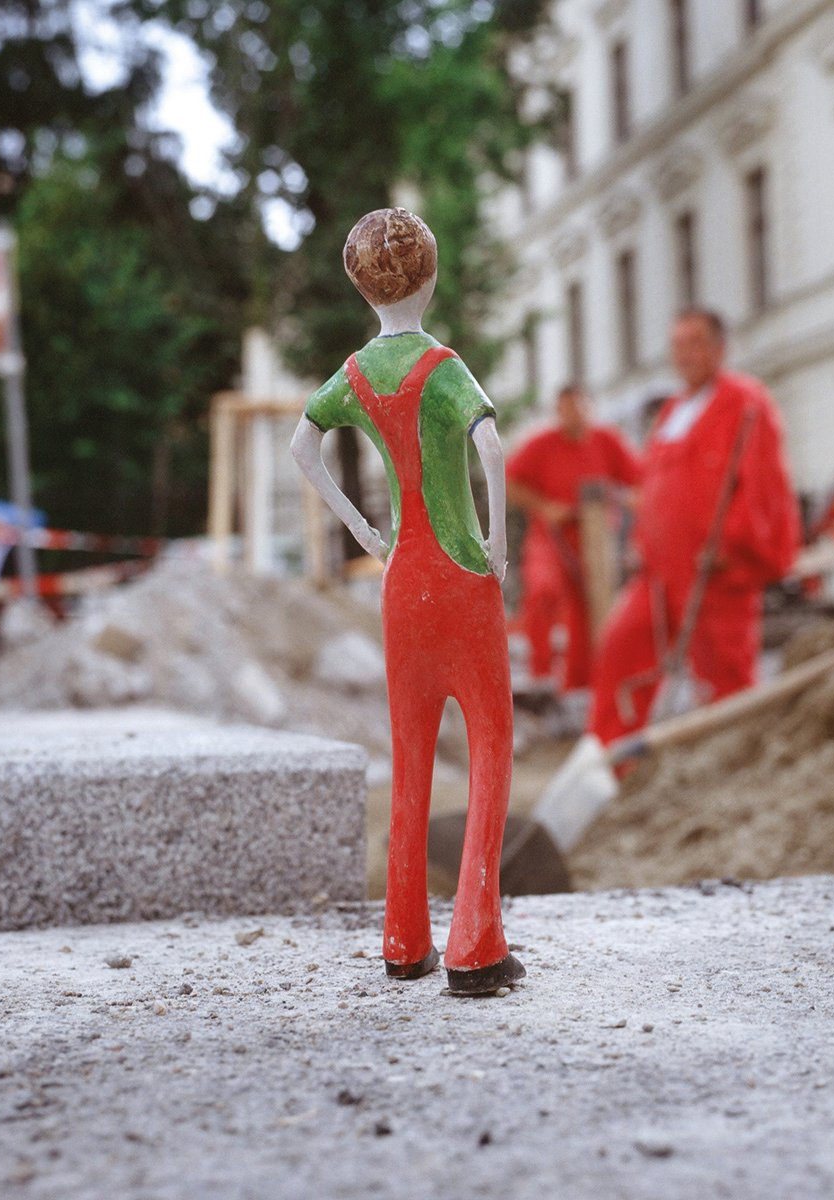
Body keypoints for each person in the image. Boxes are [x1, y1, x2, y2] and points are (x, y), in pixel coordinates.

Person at [290, 208, 523, 996]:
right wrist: (497, 547)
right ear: (430, 276)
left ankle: (403, 939)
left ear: (362, 288)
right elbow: (490, 446)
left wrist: (360, 526)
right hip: (459, 574)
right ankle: (476, 944)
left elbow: (302, 445)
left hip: (402, 583)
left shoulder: (356, 375)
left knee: (411, 755)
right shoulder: (444, 366)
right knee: (490, 744)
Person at [588, 309, 802, 745]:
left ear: (720, 348)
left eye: (695, 343)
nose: (685, 354)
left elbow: (763, 485)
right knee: (621, 648)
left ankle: (735, 762)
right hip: (659, 571)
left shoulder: (745, 402)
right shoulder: (673, 410)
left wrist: (733, 546)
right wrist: (641, 540)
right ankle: (615, 758)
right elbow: (653, 485)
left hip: (715, 572)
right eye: (678, 345)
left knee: (724, 676)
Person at [506, 385, 641, 691]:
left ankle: (586, 684)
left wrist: (622, 503)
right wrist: (544, 507)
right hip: (552, 536)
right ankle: (541, 678)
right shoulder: (542, 445)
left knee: (592, 611)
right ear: (559, 412)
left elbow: (638, 484)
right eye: (566, 410)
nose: (573, 416)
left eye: (579, 408)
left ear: (591, 408)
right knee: (541, 591)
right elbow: (511, 483)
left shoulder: (608, 441)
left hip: (594, 538)